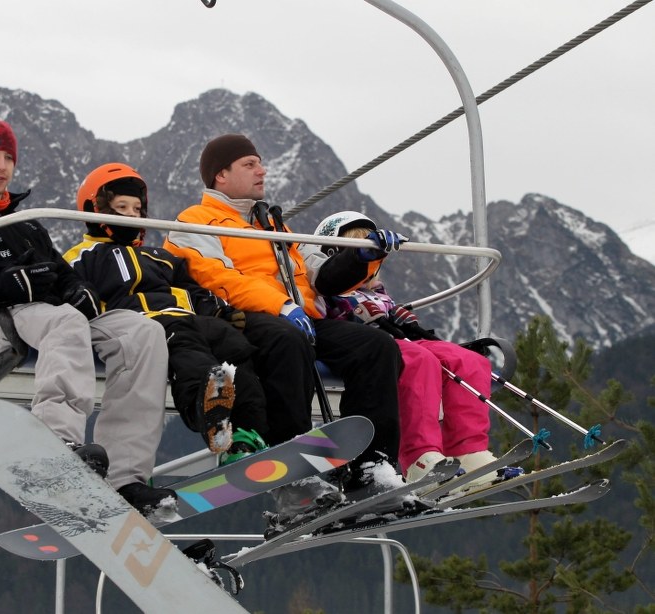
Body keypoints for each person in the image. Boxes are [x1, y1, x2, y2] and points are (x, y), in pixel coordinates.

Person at [0, 118, 177, 516]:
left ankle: (126, 476)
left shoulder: (25, 224)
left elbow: (57, 270)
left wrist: (76, 288)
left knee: (143, 333)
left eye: (7, 158)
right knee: (65, 322)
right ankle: (57, 442)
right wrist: (8, 283)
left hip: (48, 311)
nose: (1, 166)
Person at [163, 134, 404, 511]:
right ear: (220, 176)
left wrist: (364, 257)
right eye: (249, 164)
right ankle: (292, 475)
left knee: (376, 347)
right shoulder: (193, 223)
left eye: (260, 163)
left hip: (298, 316)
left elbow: (319, 274)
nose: (262, 170)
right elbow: (216, 277)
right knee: (286, 340)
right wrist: (280, 305)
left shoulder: (274, 225)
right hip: (246, 317)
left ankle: (371, 468)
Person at [65, 162, 269, 464]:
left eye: (137, 209)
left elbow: (191, 289)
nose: (131, 215)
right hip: (148, 323)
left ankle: (247, 436)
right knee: (190, 357)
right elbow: (71, 287)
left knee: (235, 348)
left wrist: (217, 310)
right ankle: (210, 418)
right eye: (121, 207)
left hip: (191, 318)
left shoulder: (160, 256)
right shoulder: (85, 256)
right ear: (94, 210)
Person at [313, 210, 498, 486]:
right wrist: (357, 313)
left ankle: (468, 450)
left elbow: (391, 313)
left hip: (397, 339)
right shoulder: (325, 286)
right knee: (420, 361)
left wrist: (400, 318)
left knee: (468, 361)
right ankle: (419, 455)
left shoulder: (377, 291)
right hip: (363, 344)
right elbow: (328, 313)